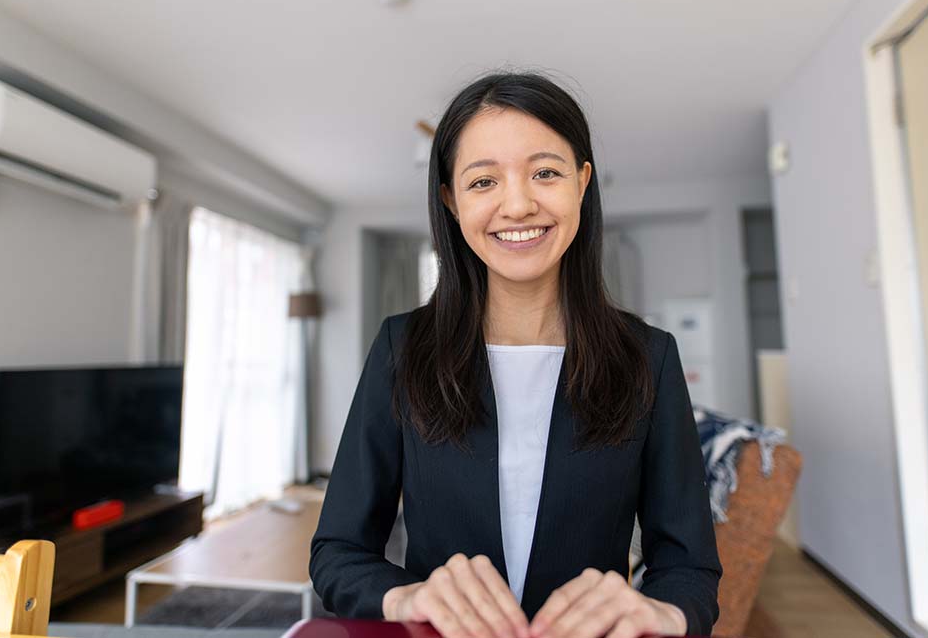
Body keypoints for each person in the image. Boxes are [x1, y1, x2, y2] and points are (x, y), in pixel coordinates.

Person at [309, 72, 722, 637]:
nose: (519, 204)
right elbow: (337, 552)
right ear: (451, 202)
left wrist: (663, 610)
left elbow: (690, 567)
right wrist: (407, 597)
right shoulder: (401, 349)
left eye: (545, 173)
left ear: (581, 183)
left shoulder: (649, 357)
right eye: (484, 182)